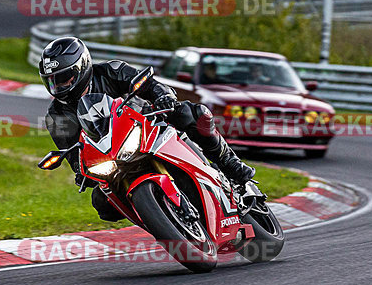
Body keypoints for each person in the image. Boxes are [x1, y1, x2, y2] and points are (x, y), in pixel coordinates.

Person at [40, 36, 255, 222]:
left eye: (62, 79)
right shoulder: (56, 115)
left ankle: (230, 163)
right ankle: (156, 214)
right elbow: (74, 156)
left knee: (193, 114)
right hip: (113, 155)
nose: (58, 87)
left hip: (148, 124)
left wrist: (163, 96)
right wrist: (81, 171)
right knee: (102, 204)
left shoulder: (110, 71)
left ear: (82, 67)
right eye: (52, 82)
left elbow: (149, 84)